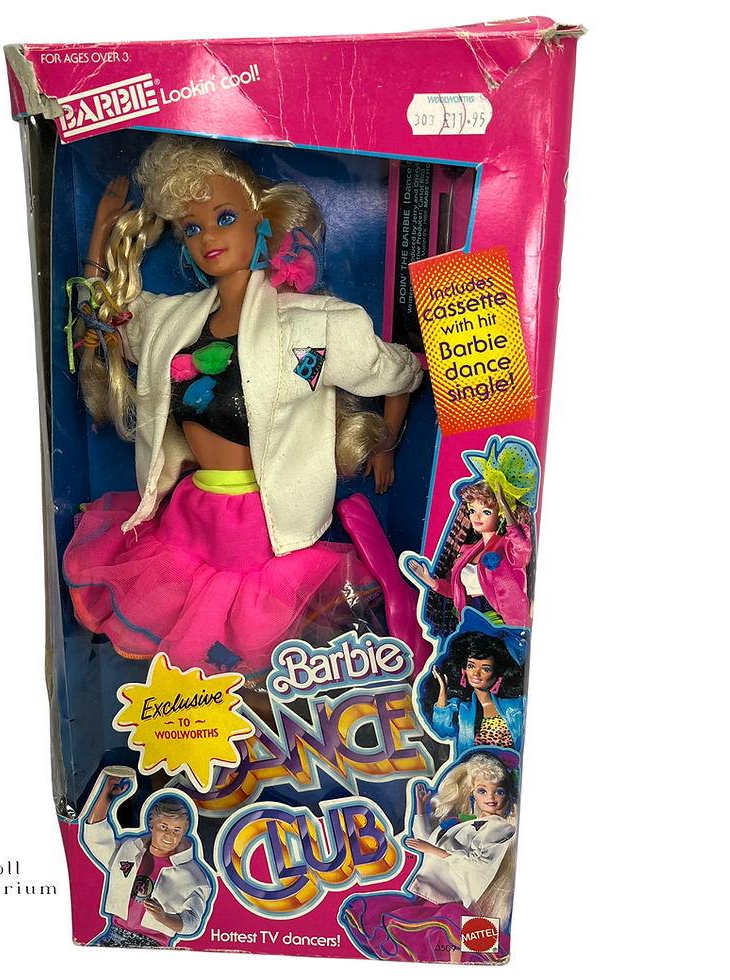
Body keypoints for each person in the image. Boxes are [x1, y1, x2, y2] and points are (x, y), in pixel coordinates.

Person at [62, 136, 423, 682]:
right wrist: (101, 234)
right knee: (196, 661)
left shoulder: (314, 325)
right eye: (191, 228)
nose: (208, 237)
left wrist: (385, 442)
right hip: (189, 520)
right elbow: (106, 314)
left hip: (262, 530)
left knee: (251, 655)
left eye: (224, 217)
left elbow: (402, 370)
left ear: (262, 221)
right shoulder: (170, 323)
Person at [339, 750, 519, 964]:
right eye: (483, 790)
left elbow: (477, 864)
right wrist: (420, 810)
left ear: (508, 795)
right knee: (426, 938)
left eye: (499, 791)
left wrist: (435, 851)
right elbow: (427, 842)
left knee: (453, 933)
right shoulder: (467, 822)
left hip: (454, 898)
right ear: (473, 792)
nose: (491, 797)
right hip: (435, 894)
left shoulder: (499, 828)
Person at [80, 767, 214, 948]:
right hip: (115, 934)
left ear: (184, 833)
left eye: (177, 830)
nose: (169, 835)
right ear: (152, 825)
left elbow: (192, 922)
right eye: (164, 827)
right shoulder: (129, 851)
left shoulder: (192, 877)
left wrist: (164, 917)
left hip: (153, 944)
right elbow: (95, 838)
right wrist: (107, 795)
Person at [407, 480, 533, 628]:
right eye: (473, 511)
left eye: (486, 512)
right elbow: (457, 591)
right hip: (470, 618)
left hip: (499, 621)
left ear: (500, 515)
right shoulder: (467, 552)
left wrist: (506, 507)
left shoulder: (506, 547)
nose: (477, 517)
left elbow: (522, 549)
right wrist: (432, 583)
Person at [419, 623, 525, 757]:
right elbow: (442, 730)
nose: (476, 673)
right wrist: (443, 689)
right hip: (472, 769)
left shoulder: (515, 707)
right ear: (464, 669)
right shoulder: (461, 709)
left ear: (498, 674)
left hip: (511, 768)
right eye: (471, 666)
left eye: (486, 669)